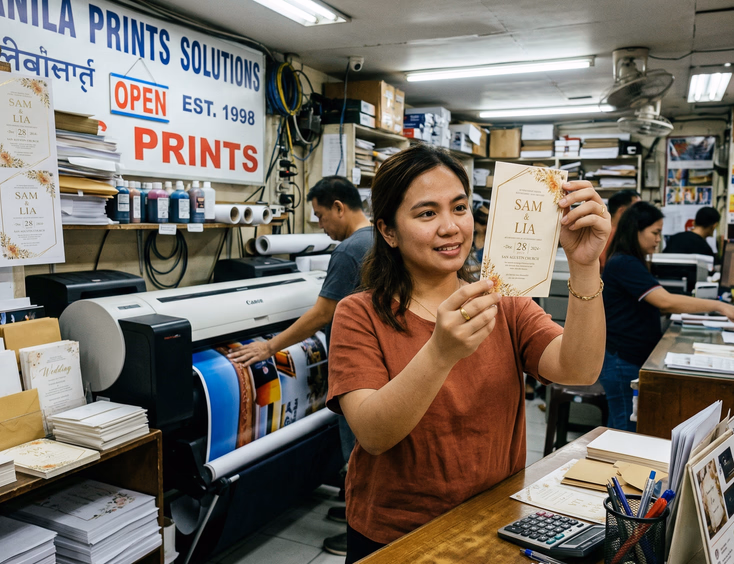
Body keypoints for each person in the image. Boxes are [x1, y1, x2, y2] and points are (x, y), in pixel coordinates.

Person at [326, 144, 611, 563]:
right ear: (388, 231)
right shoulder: (359, 314)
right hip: (397, 536)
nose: (451, 227)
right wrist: (440, 352)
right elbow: (373, 434)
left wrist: (586, 264)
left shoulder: (504, 301)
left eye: (459, 208)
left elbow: (579, 368)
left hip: (493, 521)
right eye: (427, 213)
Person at [227, 175, 372, 556]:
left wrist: (268, 346)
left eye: (321, 216)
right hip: (378, 363)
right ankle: (359, 511)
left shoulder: (348, 250)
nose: (321, 225)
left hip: (357, 366)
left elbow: (323, 312)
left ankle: (361, 527)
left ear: (340, 207)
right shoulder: (379, 239)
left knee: (357, 450)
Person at [600, 202, 734, 432]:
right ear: (635, 230)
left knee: (620, 427)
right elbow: (665, 301)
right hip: (622, 360)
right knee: (623, 431)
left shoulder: (633, 261)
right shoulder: (624, 263)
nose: (658, 239)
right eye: (654, 232)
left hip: (628, 357)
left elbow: (656, 305)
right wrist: (720, 306)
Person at [600, 189, 640, 270]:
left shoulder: (623, 232)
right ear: (622, 210)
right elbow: (606, 265)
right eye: (636, 208)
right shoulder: (608, 233)